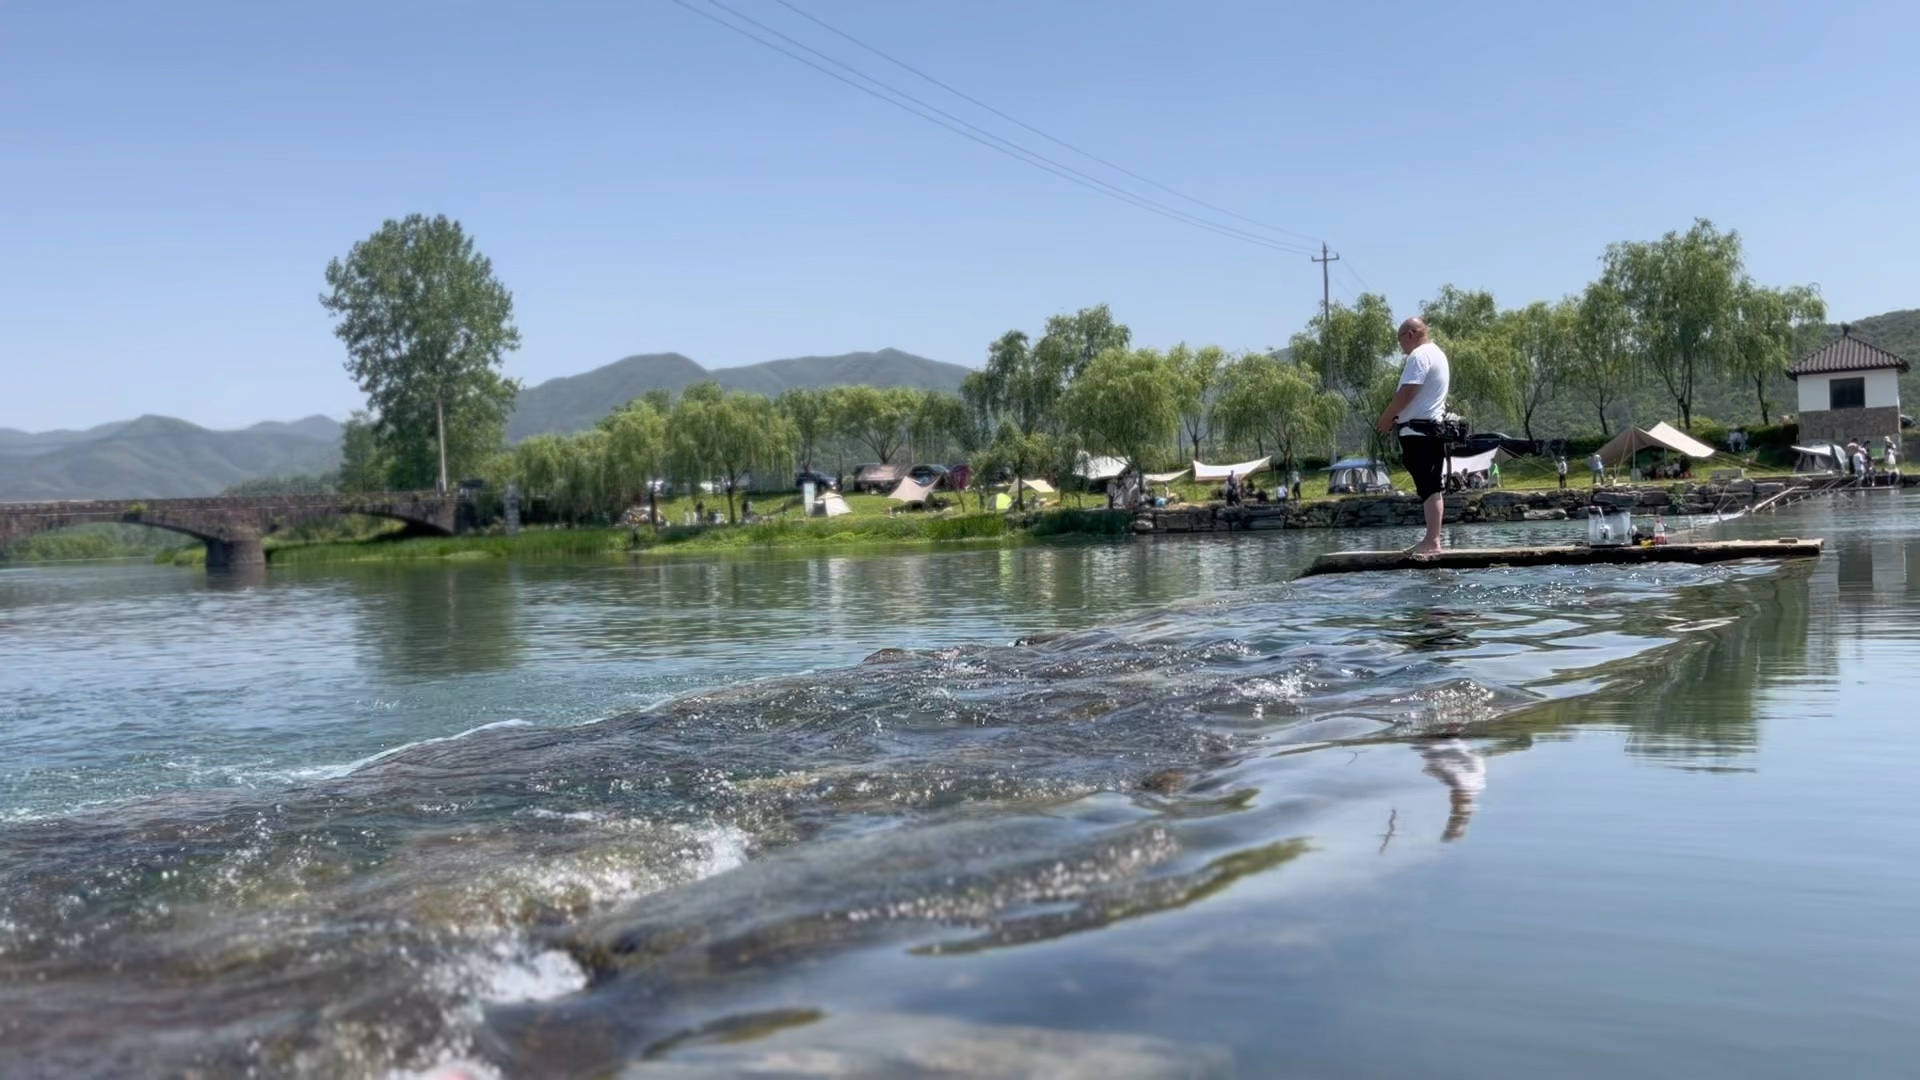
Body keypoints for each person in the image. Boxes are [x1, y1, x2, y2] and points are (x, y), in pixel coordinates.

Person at [1375, 316, 1451, 556]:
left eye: (1400, 341)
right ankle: (1432, 539)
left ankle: (1432, 541)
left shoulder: (1419, 356)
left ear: (1410, 334)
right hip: (1430, 430)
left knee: (1429, 486)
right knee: (1430, 486)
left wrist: (1387, 418)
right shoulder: (1438, 353)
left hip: (1420, 432)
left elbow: (1409, 390)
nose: (1400, 348)